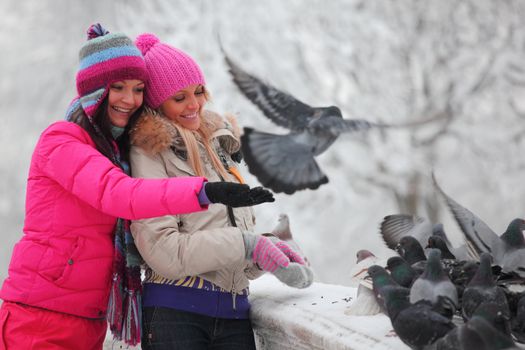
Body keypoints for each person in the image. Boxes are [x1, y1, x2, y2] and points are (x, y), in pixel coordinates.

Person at [0, 24, 274, 350]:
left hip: (89, 319)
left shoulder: (119, 153)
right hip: (40, 314)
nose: (129, 99)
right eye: (118, 87)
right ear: (93, 91)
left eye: (138, 89)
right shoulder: (61, 141)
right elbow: (120, 194)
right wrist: (205, 191)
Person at [130, 33, 314, 350]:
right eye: (179, 98)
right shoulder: (149, 153)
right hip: (176, 318)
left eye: (199, 91)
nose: (195, 104)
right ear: (158, 105)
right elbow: (163, 251)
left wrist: (265, 254)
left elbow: (232, 259)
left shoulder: (219, 147)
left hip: (234, 316)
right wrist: (248, 245)